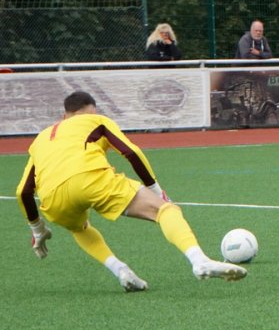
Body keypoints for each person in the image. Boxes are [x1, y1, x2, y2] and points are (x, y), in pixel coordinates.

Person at [15, 91, 247, 292]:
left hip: (52, 199)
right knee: (165, 210)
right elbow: (131, 152)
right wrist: (156, 191)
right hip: (91, 179)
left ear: (65, 115)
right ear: (91, 112)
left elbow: (23, 191)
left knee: (79, 229)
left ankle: (121, 271)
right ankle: (199, 260)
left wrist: (38, 229)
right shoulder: (97, 121)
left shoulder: (41, 139)